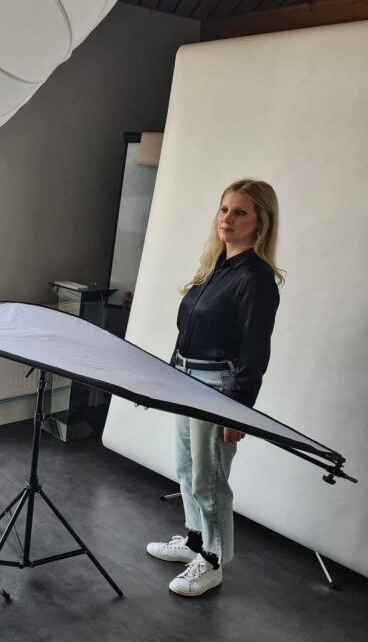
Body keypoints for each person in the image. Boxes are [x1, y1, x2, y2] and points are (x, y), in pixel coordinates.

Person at [146, 179, 283, 597]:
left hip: (217, 388)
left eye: (240, 212)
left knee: (210, 478)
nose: (227, 219)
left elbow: (255, 350)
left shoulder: (255, 278)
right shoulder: (216, 267)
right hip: (188, 380)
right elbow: (189, 326)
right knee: (187, 469)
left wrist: (238, 410)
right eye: (224, 209)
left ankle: (212, 560)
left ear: (260, 222)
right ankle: (193, 541)